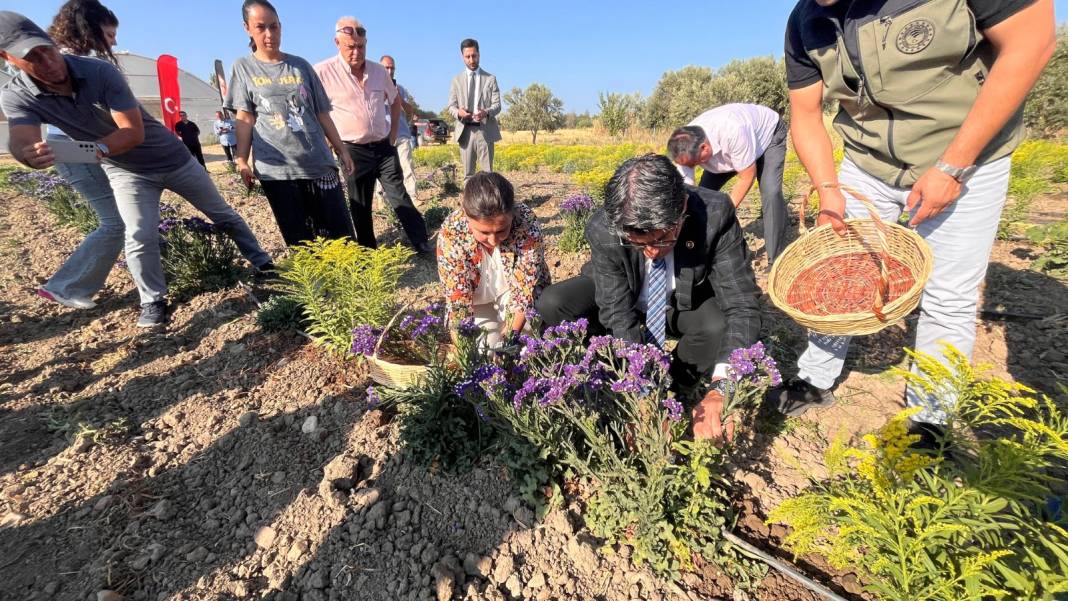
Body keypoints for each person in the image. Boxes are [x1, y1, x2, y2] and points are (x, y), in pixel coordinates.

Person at [774, 0, 1055, 447]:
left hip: (966, 155)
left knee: (949, 296)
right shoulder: (804, 21)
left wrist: (953, 167)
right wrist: (828, 189)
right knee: (842, 277)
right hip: (869, 164)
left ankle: (931, 415)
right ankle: (815, 376)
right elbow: (805, 114)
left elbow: (1032, 42)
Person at [1, 11, 274, 328]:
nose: (48, 62)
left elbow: (132, 132)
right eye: (32, 57)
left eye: (47, 49)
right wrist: (27, 154)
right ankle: (153, 301)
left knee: (222, 214)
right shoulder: (17, 95)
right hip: (126, 172)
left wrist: (98, 149)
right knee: (139, 235)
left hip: (173, 159)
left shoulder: (99, 72)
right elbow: (22, 138)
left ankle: (263, 263)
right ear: (7, 59)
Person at [536, 154, 762, 439]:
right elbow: (617, 313)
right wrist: (642, 392)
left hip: (681, 301)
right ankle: (606, 372)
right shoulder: (604, 227)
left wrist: (723, 390)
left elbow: (742, 305)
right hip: (625, 294)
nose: (651, 252)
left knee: (716, 324)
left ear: (682, 209)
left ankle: (678, 384)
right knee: (554, 303)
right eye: (637, 243)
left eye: (662, 239)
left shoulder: (715, 215)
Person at [226, 0, 356, 247]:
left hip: (318, 163)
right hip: (278, 171)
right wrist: (241, 159)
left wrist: (342, 149)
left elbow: (322, 114)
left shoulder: (301, 66)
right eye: (261, 27)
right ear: (247, 28)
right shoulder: (243, 67)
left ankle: (346, 284)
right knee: (301, 243)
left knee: (341, 239)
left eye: (274, 27)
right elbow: (245, 118)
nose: (269, 35)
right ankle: (315, 286)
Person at [31, 0, 121, 310]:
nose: (114, 42)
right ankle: (65, 286)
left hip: (79, 151)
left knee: (129, 213)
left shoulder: (66, 62)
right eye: (109, 35)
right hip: (76, 153)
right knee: (116, 222)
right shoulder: (75, 66)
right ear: (90, 31)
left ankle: (156, 265)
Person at [314, 17, 431, 252]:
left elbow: (395, 101)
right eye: (350, 47)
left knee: (399, 193)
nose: (356, 52)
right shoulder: (322, 72)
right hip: (352, 150)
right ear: (337, 42)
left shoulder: (378, 71)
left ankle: (421, 241)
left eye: (361, 46)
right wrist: (333, 145)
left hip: (383, 146)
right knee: (360, 203)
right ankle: (368, 251)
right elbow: (318, 112)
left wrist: (394, 133)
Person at [667, 103, 788, 267]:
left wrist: (723, 213)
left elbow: (746, 177)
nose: (694, 167)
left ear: (704, 147)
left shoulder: (733, 130)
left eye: (696, 163)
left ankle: (777, 260)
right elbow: (689, 191)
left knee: (771, 193)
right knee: (701, 198)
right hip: (732, 153)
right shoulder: (684, 148)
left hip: (768, 138)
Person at [437, 172, 550, 348]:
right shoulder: (452, 232)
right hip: (477, 301)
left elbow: (524, 293)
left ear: (512, 215)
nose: (493, 240)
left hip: (513, 294)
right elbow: (458, 301)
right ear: (467, 217)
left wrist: (509, 341)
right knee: (483, 349)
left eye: (501, 230)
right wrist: (465, 353)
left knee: (527, 335)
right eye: (484, 232)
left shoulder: (526, 222)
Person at [447, 38, 501, 182]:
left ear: (479, 54)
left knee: (488, 175)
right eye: (468, 56)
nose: (471, 60)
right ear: (462, 57)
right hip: (465, 132)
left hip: (485, 131)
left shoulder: (490, 79)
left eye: (474, 56)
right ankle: (469, 204)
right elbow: (451, 106)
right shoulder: (456, 80)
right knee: (468, 176)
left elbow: (497, 105)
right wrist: (459, 112)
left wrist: (486, 112)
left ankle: (488, 204)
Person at [375, 54, 418, 203]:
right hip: (382, 135)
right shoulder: (374, 89)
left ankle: (413, 196)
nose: (390, 70)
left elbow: (409, 110)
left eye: (392, 68)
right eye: (386, 67)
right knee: (383, 170)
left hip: (401, 134)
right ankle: (382, 199)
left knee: (407, 166)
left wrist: (397, 96)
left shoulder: (400, 89)